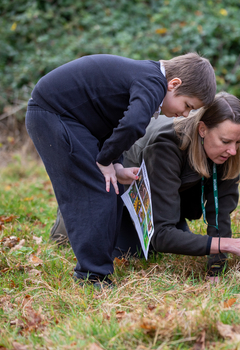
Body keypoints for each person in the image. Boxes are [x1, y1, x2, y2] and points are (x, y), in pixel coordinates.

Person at [26, 53, 217, 286]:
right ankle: (91, 276)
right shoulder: (153, 82)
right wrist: (104, 161)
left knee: (111, 187)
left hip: (74, 120)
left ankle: (102, 264)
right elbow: (133, 124)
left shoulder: (147, 78)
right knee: (96, 190)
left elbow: (113, 122)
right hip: (53, 114)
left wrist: (115, 165)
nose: (185, 114)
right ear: (174, 84)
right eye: (187, 105)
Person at [113, 92, 240, 279]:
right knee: (138, 252)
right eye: (226, 141)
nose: (233, 150)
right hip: (121, 197)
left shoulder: (227, 151)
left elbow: (219, 214)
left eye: (239, 142)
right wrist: (231, 245)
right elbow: (161, 236)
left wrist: (216, 270)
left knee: (182, 242)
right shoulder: (166, 145)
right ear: (202, 129)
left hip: (171, 195)